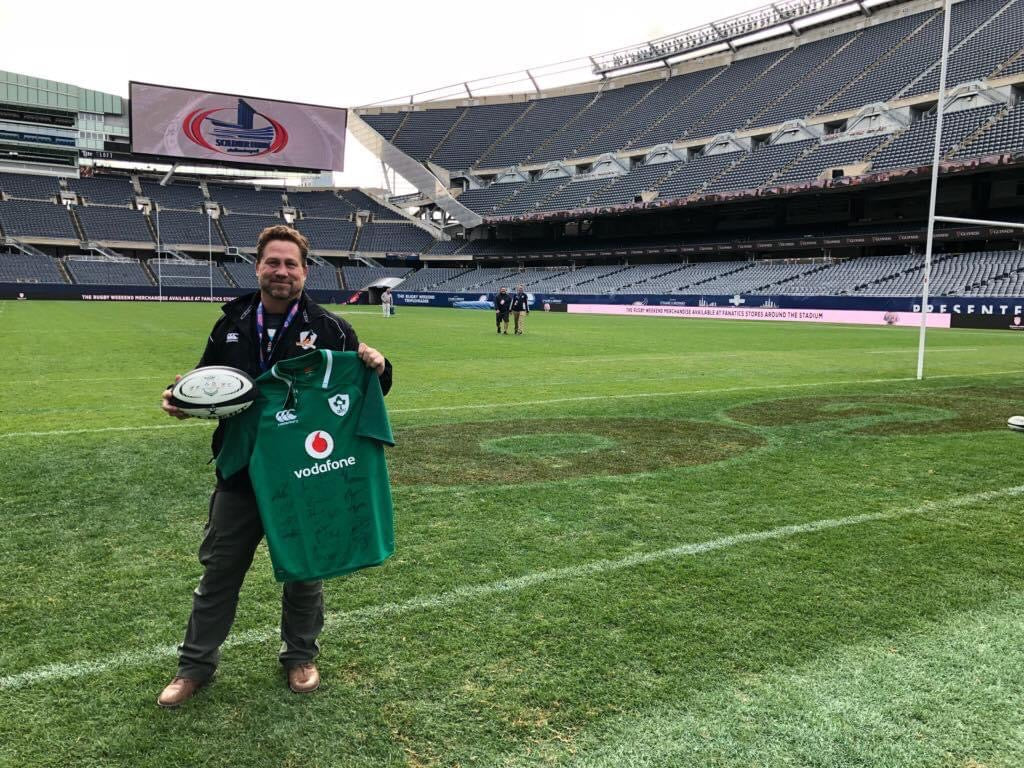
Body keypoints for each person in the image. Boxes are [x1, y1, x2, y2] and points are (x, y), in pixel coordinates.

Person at [157, 225, 393, 708]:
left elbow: (367, 390)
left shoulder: (331, 329)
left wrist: (379, 365)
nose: (281, 271)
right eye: (273, 262)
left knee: (305, 571)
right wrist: (181, 398)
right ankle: (194, 667)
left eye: (291, 264)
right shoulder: (230, 323)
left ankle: (300, 655)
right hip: (240, 474)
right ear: (257, 266)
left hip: (305, 474)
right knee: (220, 573)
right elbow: (208, 385)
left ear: (305, 272)